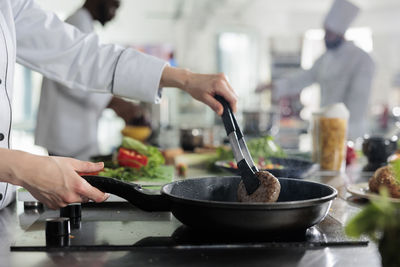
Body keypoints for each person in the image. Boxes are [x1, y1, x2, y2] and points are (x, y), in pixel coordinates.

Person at [0, 0, 237, 210]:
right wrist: (28, 169)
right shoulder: (78, 19)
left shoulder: (11, 5)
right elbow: (75, 81)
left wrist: (186, 79)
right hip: (61, 137)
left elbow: (83, 56)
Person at [35, 0, 141, 161]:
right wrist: (114, 102)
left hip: (73, 136)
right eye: (114, 6)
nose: (114, 15)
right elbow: (74, 82)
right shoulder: (76, 24)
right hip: (65, 137)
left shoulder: (83, 24)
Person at [257, 0, 375, 140]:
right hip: (326, 125)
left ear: (340, 33)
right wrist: (273, 85)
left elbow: (358, 102)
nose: (325, 37)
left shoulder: (362, 59)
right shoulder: (326, 58)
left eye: (328, 33)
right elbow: (304, 77)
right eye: (325, 32)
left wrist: (341, 130)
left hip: (350, 131)